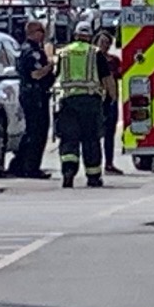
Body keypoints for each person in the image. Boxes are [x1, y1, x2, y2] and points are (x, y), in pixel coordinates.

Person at [53, 21, 106, 187]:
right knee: (91, 140)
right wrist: (112, 97)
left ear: (75, 35)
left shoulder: (63, 53)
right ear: (90, 37)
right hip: (90, 102)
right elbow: (107, 79)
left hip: (68, 101)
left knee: (69, 139)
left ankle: (68, 173)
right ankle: (93, 176)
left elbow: (56, 75)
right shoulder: (95, 53)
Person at [10, 19, 53, 178]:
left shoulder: (31, 49)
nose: (43, 34)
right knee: (37, 132)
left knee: (32, 132)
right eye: (40, 31)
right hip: (35, 95)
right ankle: (30, 167)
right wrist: (50, 65)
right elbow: (35, 74)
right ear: (33, 33)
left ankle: (20, 165)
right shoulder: (31, 51)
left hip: (34, 94)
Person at [96, 28, 126, 175]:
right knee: (94, 134)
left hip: (111, 99)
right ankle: (94, 164)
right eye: (102, 42)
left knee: (109, 133)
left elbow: (121, 73)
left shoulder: (114, 60)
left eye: (107, 43)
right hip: (95, 99)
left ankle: (109, 163)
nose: (105, 45)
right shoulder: (92, 58)